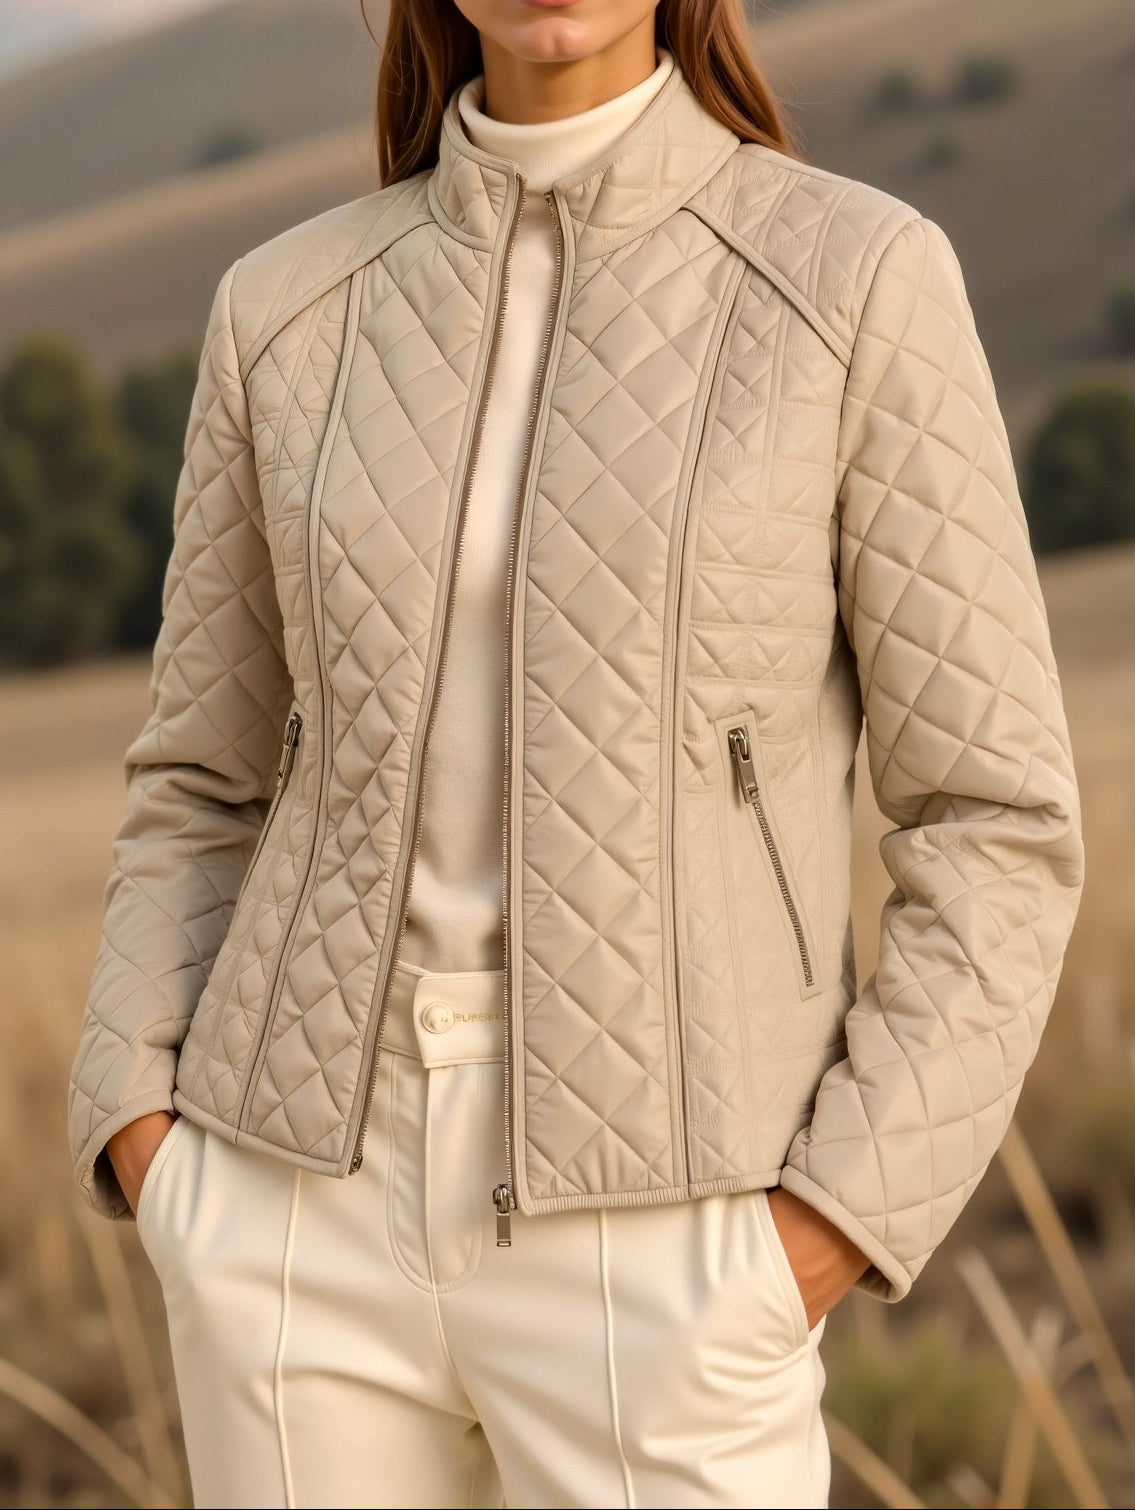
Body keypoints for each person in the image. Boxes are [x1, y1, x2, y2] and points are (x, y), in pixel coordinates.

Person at [68, 2, 1084, 1506]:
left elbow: (995, 817)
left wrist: (822, 1227)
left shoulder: (854, 279)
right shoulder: (283, 312)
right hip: (291, 1217)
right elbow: (198, 781)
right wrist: (153, 1146)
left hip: (674, 1242)